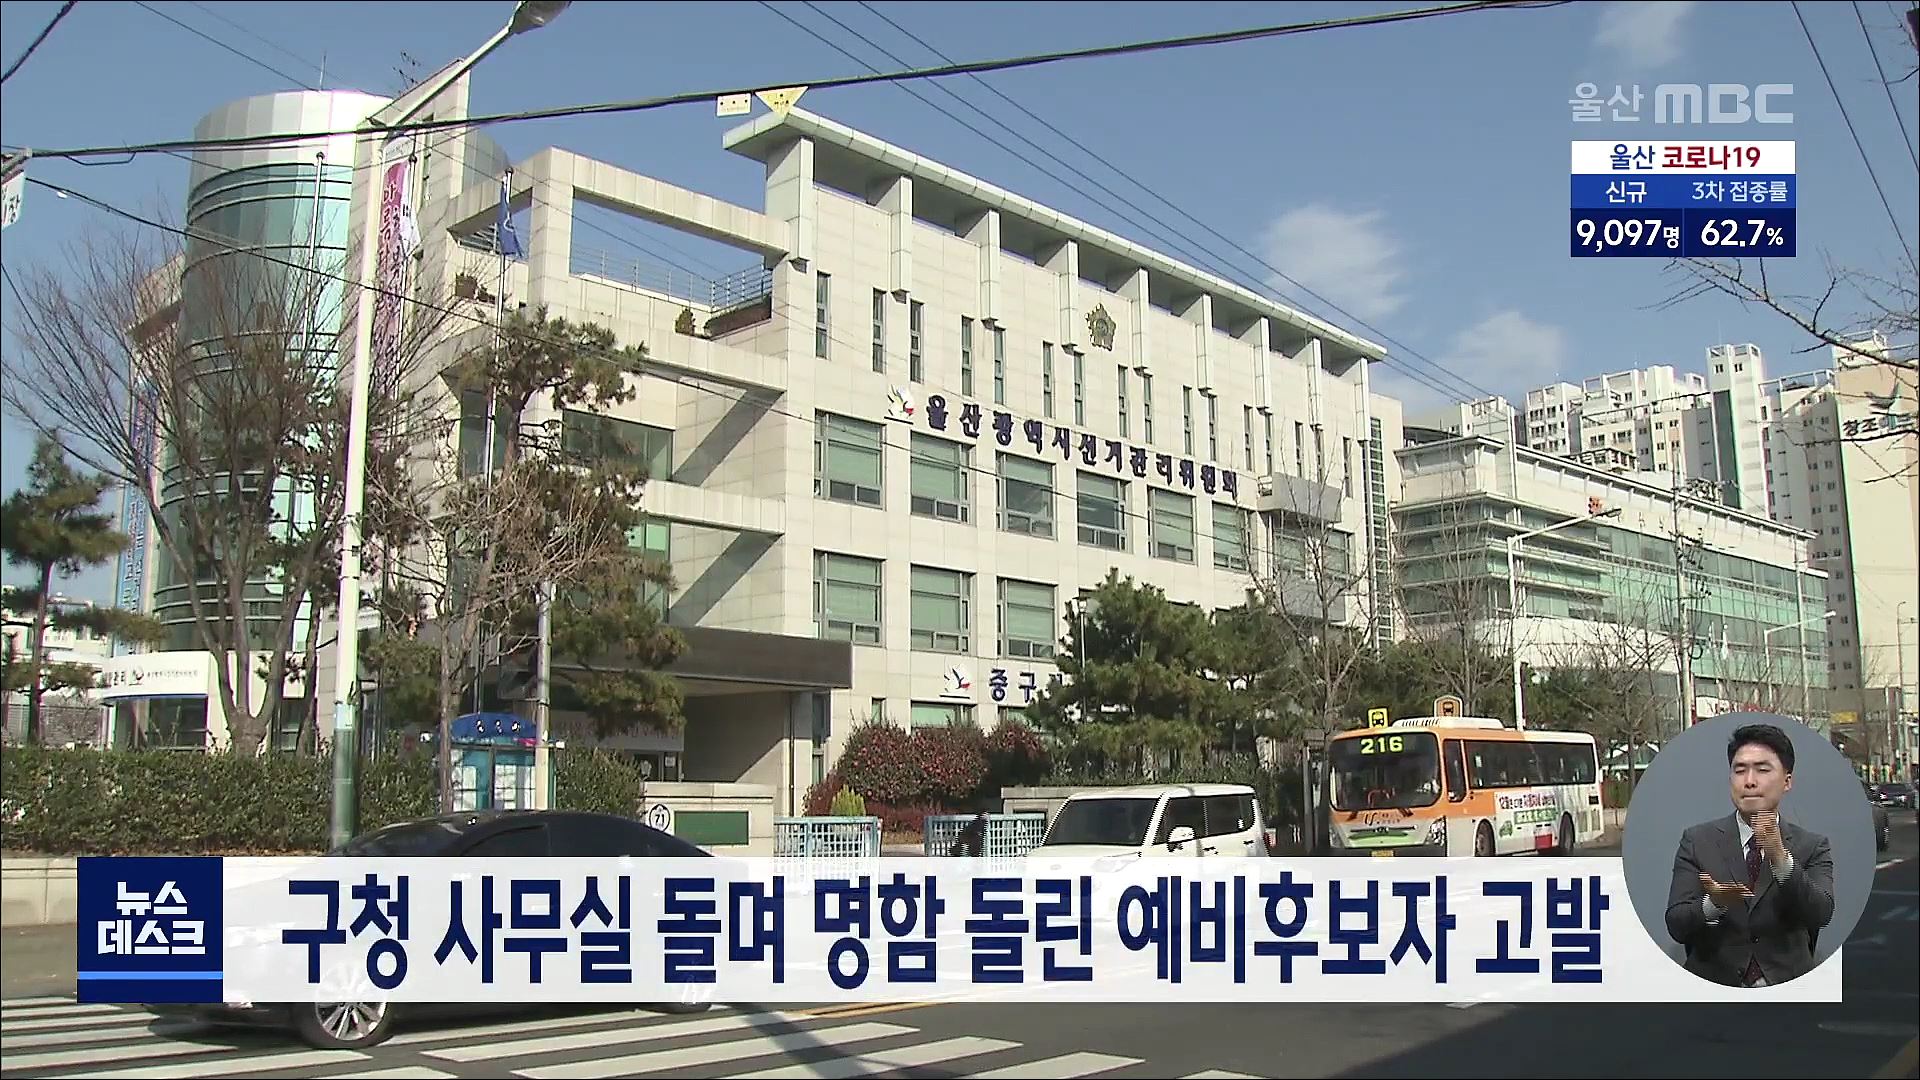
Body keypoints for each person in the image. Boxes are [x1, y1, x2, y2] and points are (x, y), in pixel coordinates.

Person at [1664, 723, 1836, 987]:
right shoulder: (1697, 841)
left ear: (1787, 781)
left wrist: (1781, 861)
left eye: (1763, 769)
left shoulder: (1812, 846)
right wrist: (1713, 903)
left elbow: (1821, 913)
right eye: (1740, 770)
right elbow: (1676, 924)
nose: (1749, 781)